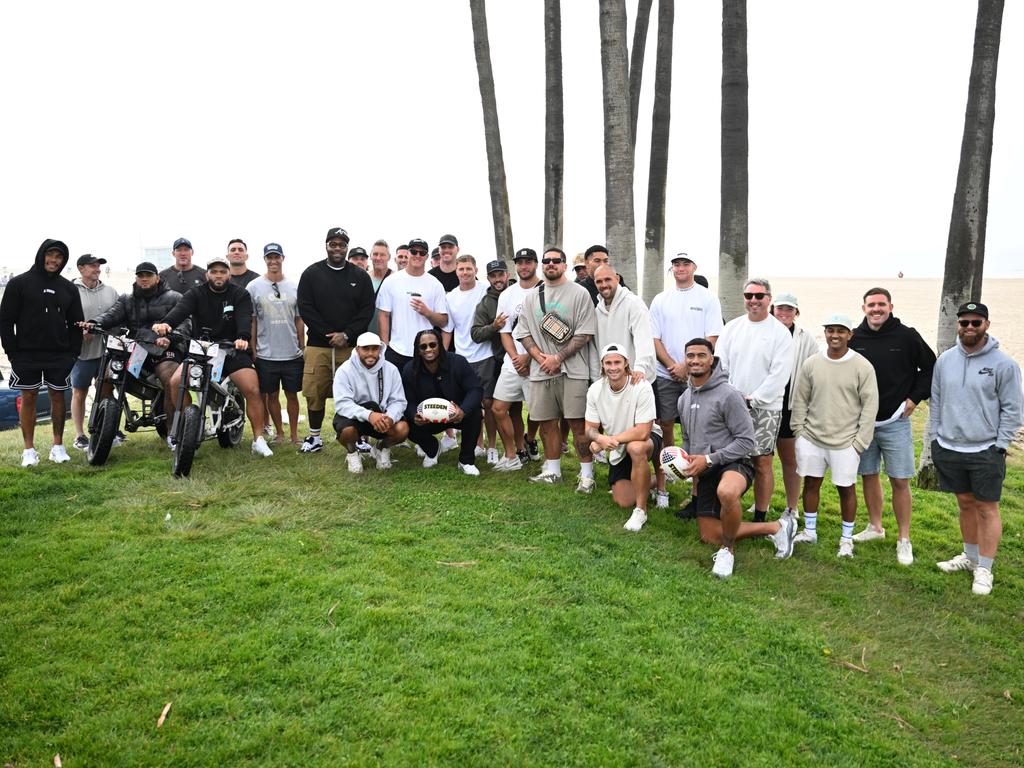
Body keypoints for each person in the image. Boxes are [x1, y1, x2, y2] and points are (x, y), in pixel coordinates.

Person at [677, 338, 798, 577]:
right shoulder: (684, 399)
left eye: (701, 355)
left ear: (711, 359)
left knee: (727, 492)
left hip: (734, 462)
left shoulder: (730, 395)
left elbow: (747, 442)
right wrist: (683, 463)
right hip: (706, 468)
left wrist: (710, 459)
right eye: (690, 356)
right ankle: (777, 527)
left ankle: (727, 551)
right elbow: (689, 440)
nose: (695, 360)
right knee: (709, 535)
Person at [931, 302, 1022, 596]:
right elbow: (936, 401)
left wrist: (1000, 445)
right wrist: (934, 437)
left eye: (976, 322)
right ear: (958, 325)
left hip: (985, 450)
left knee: (987, 508)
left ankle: (985, 568)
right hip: (949, 446)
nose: (969, 327)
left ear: (986, 324)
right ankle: (969, 557)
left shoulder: (1004, 364)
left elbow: (1012, 409)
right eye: (964, 322)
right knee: (965, 504)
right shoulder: (945, 360)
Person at [153, 256, 274, 457]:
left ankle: (258, 439)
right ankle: (188, 428)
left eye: (222, 271)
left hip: (232, 349)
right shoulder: (196, 293)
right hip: (203, 349)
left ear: (228, 273)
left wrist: (242, 337)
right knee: (175, 382)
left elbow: (245, 318)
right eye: (214, 271)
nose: (218, 275)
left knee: (252, 389)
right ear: (207, 274)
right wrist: (166, 324)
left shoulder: (239, 294)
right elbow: (179, 311)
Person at [849, 287, 936, 565]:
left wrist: (914, 397)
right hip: (863, 423)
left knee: (899, 480)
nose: (876, 309)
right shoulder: (854, 337)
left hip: (896, 420)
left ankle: (904, 539)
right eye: (871, 305)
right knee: (869, 474)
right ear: (863, 308)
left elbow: (931, 367)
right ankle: (875, 527)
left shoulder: (907, 335)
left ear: (890, 307)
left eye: (881, 305)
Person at [790, 314, 878, 558]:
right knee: (811, 484)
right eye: (830, 330)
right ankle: (809, 531)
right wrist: (799, 432)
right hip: (812, 438)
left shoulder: (862, 366)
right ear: (825, 333)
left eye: (841, 330)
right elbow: (800, 399)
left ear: (850, 334)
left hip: (846, 442)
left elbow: (870, 406)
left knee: (846, 489)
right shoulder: (812, 363)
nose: (835, 335)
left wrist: (859, 443)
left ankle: (846, 539)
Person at [514, 247, 597, 489]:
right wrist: (541, 359)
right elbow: (524, 333)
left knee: (578, 424)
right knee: (547, 423)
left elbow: (585, 333)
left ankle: (587, 475)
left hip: (573, 370)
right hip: (541, 372)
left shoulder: (579, 293)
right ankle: (553, 471)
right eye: (546, 261)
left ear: (564, 265)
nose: (551, 264)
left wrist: (557, 357)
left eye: (556, 261)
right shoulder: (531, 297)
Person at [713, 279, 793, 522]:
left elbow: (780, 374)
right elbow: (720, 364)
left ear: (769, 299)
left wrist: (754, 398)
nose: (754, 301)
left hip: (765, 407)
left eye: (759, 296)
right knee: (724, 456)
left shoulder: (779, 332)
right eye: (749, 296)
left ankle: (760, 514)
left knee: (762, 461)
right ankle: (720, 506)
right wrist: (730, 396)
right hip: (731, 404)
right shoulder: (732, 328)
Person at [649, 251, 723, 511]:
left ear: (694, 267)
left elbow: (712, 337)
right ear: (672, 269)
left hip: (698, 374)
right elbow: (654, 338)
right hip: (665, 372)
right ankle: (668, 476)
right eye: (676, 264)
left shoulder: (708, 298)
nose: (681, 268)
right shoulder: (661, 299)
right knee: (665, 423)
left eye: (685, 264)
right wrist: (672, 365)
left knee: (698, 431)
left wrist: (687, 366)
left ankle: (696, 492)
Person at [0, 239, 84, 466]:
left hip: (60, 355)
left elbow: (77, 323)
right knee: (29, 397)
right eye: (51, 255)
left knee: (58, 397)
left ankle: (58, 446)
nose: (54, 260)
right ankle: (29, 451)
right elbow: (5, 322)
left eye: (59, 257)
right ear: (41, 255)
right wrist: (12, 353)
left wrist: (73, 354)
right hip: (25, 355)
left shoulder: (68, 288)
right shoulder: (19, 284)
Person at [295, 227, 376, 453]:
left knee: (357, 392)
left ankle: (358, 436)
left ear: (346, 247)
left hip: (350, 346)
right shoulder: (311, 273)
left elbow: (366, 310)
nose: (337, 248)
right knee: (314, 391)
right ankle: (314, 437)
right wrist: (328, 333)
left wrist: (347, 334)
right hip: (318, 344)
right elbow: (306, 307)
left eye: (342, 244)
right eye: (333, 244)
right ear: (327, 246)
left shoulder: (359, 276)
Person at [88, 262, 189, 436]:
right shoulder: (127, 299)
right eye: (140, 275)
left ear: (157, 278)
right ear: (136, 278)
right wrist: (93, 323)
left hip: (166, 348)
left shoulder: (175, 297)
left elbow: (185, 323)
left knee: (169, 380)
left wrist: (170, 337)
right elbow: (112, 315)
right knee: (103, 379)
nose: (144, 279)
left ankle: (175, 434)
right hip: (136, 349)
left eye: (148, 275)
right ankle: (107, 428)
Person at [585, 344, 663, 531]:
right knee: (622, 500)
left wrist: (608, 441)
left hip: (647, 438)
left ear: (626, 363)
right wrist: (599, 438)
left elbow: (643, 431)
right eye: (608, 363)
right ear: (602, 365)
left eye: (617, 362)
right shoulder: (595, 389)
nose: (613, 367)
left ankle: (641, 511)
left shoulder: (641, 386)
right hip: (616, 443)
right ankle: (653, 480)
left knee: (635, 448)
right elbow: (589, 429)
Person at [401, 328, 483, 476]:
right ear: (418, 350)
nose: (428, 349)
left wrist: (463, 410)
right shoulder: (409, 370)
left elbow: (475, 390)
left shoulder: (458, 362)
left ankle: (466, 460)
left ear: (440, 345)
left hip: (457, 415)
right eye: (423, 346)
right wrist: (414, 415)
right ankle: (432, 449)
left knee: (475, 412)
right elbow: (407, 401)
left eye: (433, 345)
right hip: (428, 419)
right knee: (405, 422)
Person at [247, 243, 304, 445]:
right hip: (265, 353)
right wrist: (253, 348)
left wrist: (301, 346)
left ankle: (295, 436)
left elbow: (299, 319)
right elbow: (252, 320)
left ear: (282, 258)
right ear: (264, 260)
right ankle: (279, 433)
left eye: (276, 257)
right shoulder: (253, 287)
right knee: (271, 395)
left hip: (291, 353)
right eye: (269, 257)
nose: (273, 261)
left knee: (292, 395)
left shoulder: (295, 286)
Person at [491, 248, 542, 471]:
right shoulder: (507, 295)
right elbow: (504, 331)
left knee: (540, 412)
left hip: (539, 361)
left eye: (528, 262)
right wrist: (515, 357)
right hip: (512, 362)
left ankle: (530, 440)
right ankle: (512, 456)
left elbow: (550, 332)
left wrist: (528, 357)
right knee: (498, 408)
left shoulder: (546, 290)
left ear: (536, 264)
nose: (524, 266)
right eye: (520, 262)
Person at [770, 294, 819, 519]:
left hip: (790, 406)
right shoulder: (764, 331)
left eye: (789, 310)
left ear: (796, 313)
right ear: (772, 309)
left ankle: (792, 507)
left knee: (790, 459)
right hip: (764, 404)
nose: (784, 313)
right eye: (780, 309)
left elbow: (814, 370)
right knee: (762, 458)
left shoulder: (805, 338)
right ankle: (762, 501)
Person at [332, 331, 409, 473]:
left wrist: (390, 418)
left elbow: (399, 401)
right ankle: (352, 453)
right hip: (355, 417)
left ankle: (381, 449)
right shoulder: (344, 370)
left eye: (374, 349)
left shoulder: (391, 369)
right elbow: (343, 404)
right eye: (365, 349)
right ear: (357, 349)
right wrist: (370, 415)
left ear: (380, 349)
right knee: (347, 432)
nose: (370, 354)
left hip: (382, 417)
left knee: (402, 429)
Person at [376, 237, 448, 372]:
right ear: (408, 253)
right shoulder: (391, 281)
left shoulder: (435, 284)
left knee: (425, 392)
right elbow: (383, 315)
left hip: (426, 351)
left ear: (427, 256)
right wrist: (385, 347)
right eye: (414, 252)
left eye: (422, 253)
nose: (417, 255)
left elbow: (443, 321)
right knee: (395, 392)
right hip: (397, 350)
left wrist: (428, 312)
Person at [70, 254, 119, 450]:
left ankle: (110, 429)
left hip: (107, 352)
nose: (97, 268)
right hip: (82, 353)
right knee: (79, 392)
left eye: (99, 265)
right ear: (81, 268)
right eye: (92, 265)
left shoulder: (110, 291)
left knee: (107, 390)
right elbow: (62, 318)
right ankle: (80, 435)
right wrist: (77, 331)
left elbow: (119, 315)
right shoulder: (70, 291)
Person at [442, 255, 488, 456]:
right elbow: (448, 329)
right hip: (461, 356)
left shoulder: (486, 290)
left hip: (484, 354)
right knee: (466, 402)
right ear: (456, 272)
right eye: (461, 269)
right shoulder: (450, 296)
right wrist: (443, 356)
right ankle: (467, 441)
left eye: (469, 269)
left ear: (476, 270)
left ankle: (486, 445)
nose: (465, 273)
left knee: (487, 403)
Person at [471, 260, 511, 465]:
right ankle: (496, 447)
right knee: (495, 406)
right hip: (500, 361)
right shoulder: (486, 303)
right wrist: (493, 326)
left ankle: (525, 445)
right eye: (493, 276)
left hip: (529, 356)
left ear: (507, 274)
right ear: (488, 278)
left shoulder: (516, 292)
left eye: (500, 274)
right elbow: (476, 333)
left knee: (528, 408)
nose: (498, 279)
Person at [367, 240, 394, 335]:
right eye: (375, 254)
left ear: (389, 257)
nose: (378, 258)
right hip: (366, 336)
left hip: (390, 337)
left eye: (382, 255)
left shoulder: (396, 279)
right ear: (370, 256)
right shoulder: (364, 278)